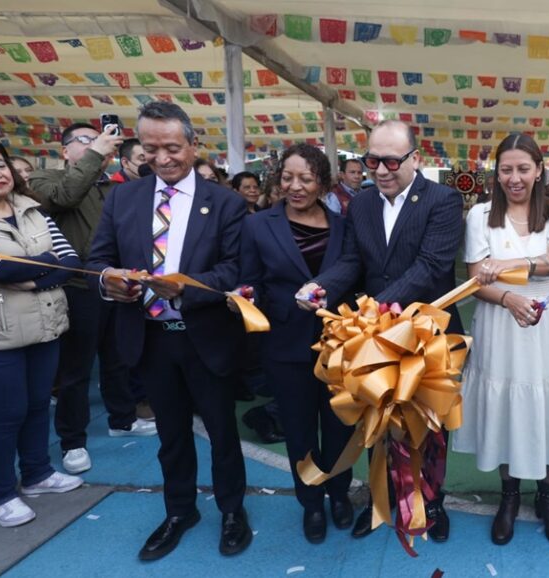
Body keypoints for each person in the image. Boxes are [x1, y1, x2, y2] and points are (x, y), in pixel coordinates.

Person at [87, 101, 252, 560]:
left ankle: (233, 510)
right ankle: (180, 511)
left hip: (205, 337)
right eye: (151, 148)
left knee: (222, 432)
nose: (162, 158)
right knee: (171, 435)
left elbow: (235, 269)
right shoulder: (123, 198)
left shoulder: (226, 203)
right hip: (150, 338)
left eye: (173, 148)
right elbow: (98, 259)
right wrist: (108, 280)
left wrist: (183, 287)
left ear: (193, 145)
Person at [295, 119, 463, 542]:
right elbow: (353, 260)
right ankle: (381, 501)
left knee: (429, 424)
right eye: (372, 161)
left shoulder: (443, 199)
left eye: (391, 161)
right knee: (377, 418)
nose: (381, 170)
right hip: (375, 336)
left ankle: (431, 502)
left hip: (426, 335)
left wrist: (373, 309)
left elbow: (431, 266)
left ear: (415, 159)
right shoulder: (362, 204)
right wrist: (322, 286)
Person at [453, 134, 549, 549]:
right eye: (506, 169)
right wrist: (509, 298)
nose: (514, 178)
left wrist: (506, 264)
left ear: (539, 170)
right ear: (497, 173)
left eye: (523, 169)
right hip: (501, 316)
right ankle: (509, 496)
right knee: (507, 405)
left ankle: (548, 498)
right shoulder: (480, 215)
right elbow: (477, 280)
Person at [235, 143, 354, 543]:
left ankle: (339, 493)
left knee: (339, 427)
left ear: (323, 182)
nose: (295, 186)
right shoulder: (258, 225)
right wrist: (245, 297)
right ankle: (312, 502)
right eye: (288, 177)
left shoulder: (343, 226)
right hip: (285, 346)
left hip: (338, 345)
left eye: (306, 178)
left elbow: (353, 278)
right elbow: (251, 280)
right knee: (299, 431)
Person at [0, 138, 84, 527]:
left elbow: (72, 261)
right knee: (6, 415)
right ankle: (0, 495)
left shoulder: (32, 209)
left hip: (45, 325)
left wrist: (34, 277)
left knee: (37, 406)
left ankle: (37, 474)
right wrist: (48, 262)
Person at [29, 122, 153, 477]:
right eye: (84, 140)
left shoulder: (111, 187)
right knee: (77, 369)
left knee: (118, 358)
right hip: (77, 287)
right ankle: (72, 441)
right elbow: (65, 197)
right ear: (65, 151)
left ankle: (123, 419)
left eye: (98, 139)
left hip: (116, 283)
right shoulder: (44, 180)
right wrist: (96, 153)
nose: (96, 144)